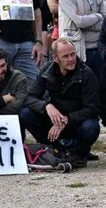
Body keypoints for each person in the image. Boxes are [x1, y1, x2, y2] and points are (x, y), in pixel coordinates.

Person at [20, 38, 100, 168]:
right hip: (53, 121)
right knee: (25, 114)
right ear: (55, 58)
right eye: (66, 56)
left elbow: (92, 109)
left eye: (73, 54)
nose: (71, 59)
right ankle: (55, 150)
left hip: (76, 122)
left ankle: (79, 153)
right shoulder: (47, 70)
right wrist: (46, 106)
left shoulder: (86, 74)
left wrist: (66, 120)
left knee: (91, 127)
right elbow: (30, 97)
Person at [58, 0, 105, 81]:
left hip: (98, 50)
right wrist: (98, 16)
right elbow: (81, 22)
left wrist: (89, 19)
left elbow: (104, 20)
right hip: (78, 53)